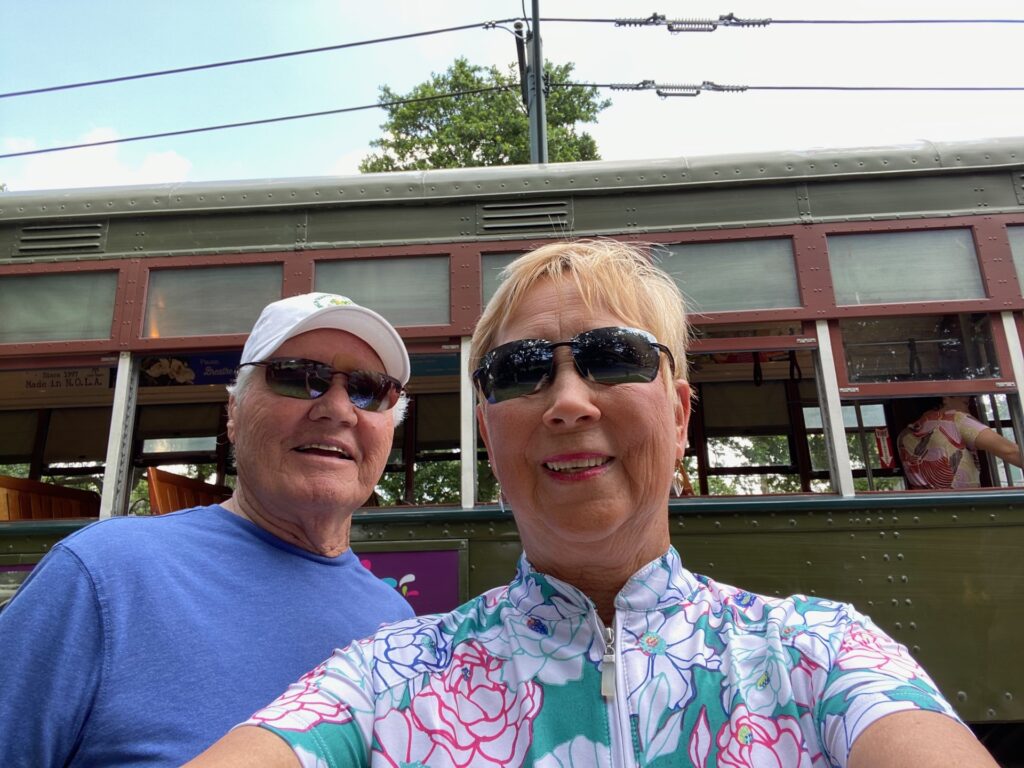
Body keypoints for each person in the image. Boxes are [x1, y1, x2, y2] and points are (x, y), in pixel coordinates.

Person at [187, 242, 997, 767]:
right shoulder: (384, 677)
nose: (568, 401)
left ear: (680, 414)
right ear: (488, 433)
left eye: (614, 358)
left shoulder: (820, 654)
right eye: (521, 370)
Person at [0, 292, 416, 767]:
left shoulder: (395, 621)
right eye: (301, 378)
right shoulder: (103, 574)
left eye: (369, 389)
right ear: (234, 414)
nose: (339, 409)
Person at [899, 395, 1023, 489]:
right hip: (966, 507)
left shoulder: (904, 436)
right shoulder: (956, 419)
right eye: (960, 391)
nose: (967, 395)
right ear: (945, 397)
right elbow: (1011, 451)